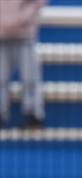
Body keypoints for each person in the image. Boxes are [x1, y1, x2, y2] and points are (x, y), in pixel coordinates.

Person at [0, 0, 46, 128]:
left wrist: (22, 18)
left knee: (30, 79)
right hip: (1, 37)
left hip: (25, 35)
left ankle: (33, 115)